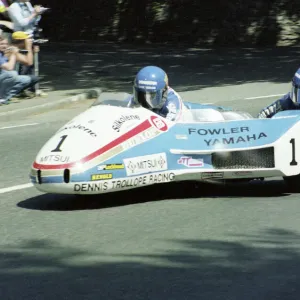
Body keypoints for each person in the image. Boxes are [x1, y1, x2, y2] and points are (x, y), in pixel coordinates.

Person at [0, 35, 37, 104]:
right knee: (12, 74)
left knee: (32, 79)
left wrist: (29, 48)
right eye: (1, 44)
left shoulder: (8, 51)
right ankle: (2, 97)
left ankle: (4, 97)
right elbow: (9, 68)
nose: (4, 46)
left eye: (6, 44)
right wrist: (14, 54)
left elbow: (29, 62)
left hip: (4, 78)